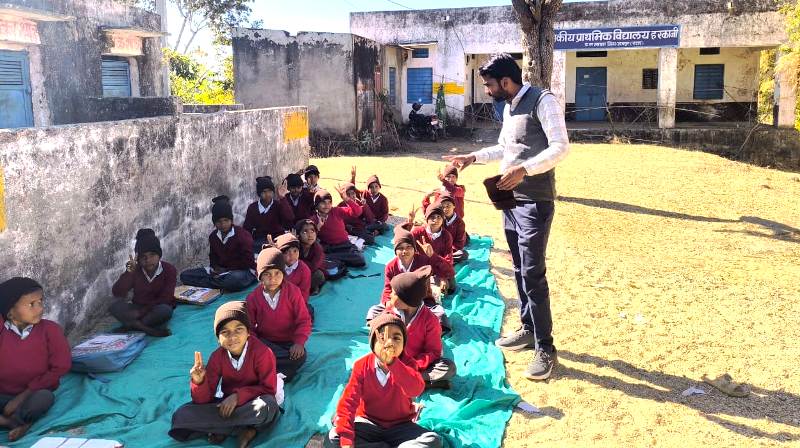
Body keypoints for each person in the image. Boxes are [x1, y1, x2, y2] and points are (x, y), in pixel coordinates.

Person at [443, 53, 570, 380]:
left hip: (534, 201)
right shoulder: (510, 106)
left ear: (505, 81)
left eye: (488, 85)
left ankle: (546, 347)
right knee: (518, 268)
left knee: (533, 273)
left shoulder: (544, 101)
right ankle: (528, 328)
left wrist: (525, 170)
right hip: (509, 199)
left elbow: (561, 147)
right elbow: (505, 149)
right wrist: (473, 157)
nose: (486, 91)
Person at [169, 301, 280, 447]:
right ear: (218, 338)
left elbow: (269, 389)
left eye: (238, 329)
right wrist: (199, 382)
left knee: (267, 407)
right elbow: (204, 400)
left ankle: (226, 429)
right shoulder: (217, 357)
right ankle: (241, 429)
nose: (232, 337)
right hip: (226, 407)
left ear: (248, 332)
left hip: (253, 402)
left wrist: (238, 396)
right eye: (225, 332)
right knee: (181, 415)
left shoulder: (263, 353)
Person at [325, 313, 442, 448]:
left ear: (404, 343)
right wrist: (346, 441)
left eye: (396, 338)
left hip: (401, 426)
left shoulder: (408, 363)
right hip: (368, 423)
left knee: (433, 440)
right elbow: (348, 403)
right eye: (382, 338)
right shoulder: (361, 366)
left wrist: (393, 363)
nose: (389, 343)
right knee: (334, 437)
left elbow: (415, 389)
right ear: (373, 342)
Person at [0, 278, 71, 442]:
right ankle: (10, 422)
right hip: (3, 394)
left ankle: (19, 419)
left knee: (45, 398)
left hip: (33, 394)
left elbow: (61, 367)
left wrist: (21, 398)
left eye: (40, 301)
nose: (39, 308)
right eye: (31, 304)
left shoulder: (50, 330)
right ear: (10, 311)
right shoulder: (2, 331)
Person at [381, 266, 456, 390]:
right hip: (393, 360)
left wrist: (414, 364)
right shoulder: (390, 313)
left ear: (407, 299)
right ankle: (419, 382)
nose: (390, 296)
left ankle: (405, 380)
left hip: (417, 364)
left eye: (394, 293)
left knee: (448, 368)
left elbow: (434, 352)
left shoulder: (430, 320)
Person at [367, 226, 453, 332]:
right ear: (395, 250)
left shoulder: (423, 261)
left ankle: (430, 332)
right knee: (373, 312)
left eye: (408, 247)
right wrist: (387, 302)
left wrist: (433, 256)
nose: (405, 251)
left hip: (421, 302)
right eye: (400, 248)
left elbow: (449, 271)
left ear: (414, 248)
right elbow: (388, 288)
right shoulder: (391, 266)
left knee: (440, 315)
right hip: (397, 303)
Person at [245, 247, 311, 382]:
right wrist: (256, 345)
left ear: (283, 273)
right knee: (249, 350)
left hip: (288, 344)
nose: (273, 279)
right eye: (267, 274)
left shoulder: (293, 292)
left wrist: (299, 342)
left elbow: (304, 320)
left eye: (277, 273)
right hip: (265, 342)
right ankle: (274, 372)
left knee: (300, 357)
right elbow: (249, 328)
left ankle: (265, 372)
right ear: (260, 276)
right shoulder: (253, 298)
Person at [180, 196, 257, 292]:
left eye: (226, 220)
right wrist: (215, 268)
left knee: (233, 280)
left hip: (242, 271)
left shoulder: (243, 235)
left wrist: (227, 270)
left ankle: (212, 283)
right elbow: (213, 256)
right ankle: (215, 283)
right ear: (214, 222)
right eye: (219, 222)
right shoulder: (213, 236)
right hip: (221, 273)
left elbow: (248, 262)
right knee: (185, 275)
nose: (223, 224)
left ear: (231, 220)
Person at [110, 228, 177, 337]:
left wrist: (140, 313)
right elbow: (117, 292)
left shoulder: (169, 270)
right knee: (114, 305)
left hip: (156, 308)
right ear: (138, 259)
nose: (148, 260)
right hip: (138, 307)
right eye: (143, 257)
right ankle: (145, 328)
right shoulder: (136, 270)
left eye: (152, 255)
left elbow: (166, 298)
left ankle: (132, 325)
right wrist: (129, 273)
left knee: (165, 310)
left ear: (159, 255)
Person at [408, 203, 456, 295]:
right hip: (419, 268)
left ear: (443, 219)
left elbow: (448, 260)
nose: (436, 220)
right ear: (427, 218)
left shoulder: (446, 236)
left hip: (437, 267)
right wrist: (410, 222)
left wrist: (443, 277)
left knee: (451, 286)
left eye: (439, 217)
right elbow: (404, 243)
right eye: (432, 217)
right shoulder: (417, 232)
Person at [311, 188, 366, 268]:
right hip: (329, 247)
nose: (327, 206)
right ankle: (338, 261)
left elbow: (357, 212)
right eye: (323, 203)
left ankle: (337, 261)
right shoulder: (313, 219)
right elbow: (310, 238)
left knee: (360, 259)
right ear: (316, 204)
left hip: (344, 245)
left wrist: (347, 199)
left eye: (329, 202)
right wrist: (318, 227)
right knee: (320, 258)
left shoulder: (336, 211)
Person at [242, 176, 294, 254]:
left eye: (269, 191)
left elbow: (290, 218)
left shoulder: (278, 205)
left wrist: (282, 198)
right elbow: (247, 229)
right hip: (260, 241)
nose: (267, 194)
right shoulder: (253, 208)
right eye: (264, 192)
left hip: (277, 240)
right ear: (259, 193)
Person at [273, 233, 313, 319]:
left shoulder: (304, 270)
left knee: (305, 313)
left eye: (295, 251)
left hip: (295, 302)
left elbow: (304, 293)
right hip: (276, 301)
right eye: (286, 252)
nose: (292, 255)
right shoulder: (275, 268)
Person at [349, 167, 389, 235]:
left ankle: (375, 231)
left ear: (379, 187)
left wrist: (379, 222)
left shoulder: (383, 199)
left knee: (384, 226)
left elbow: (385, 214)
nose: (374, 189)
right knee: (360, 224)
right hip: (365, 220)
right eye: (371, 187)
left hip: (376, 222)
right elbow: (353, 189)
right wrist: (353, 177)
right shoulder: (364, 193)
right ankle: (369, 230)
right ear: (368, 188)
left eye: (376, 186)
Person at [295, 219, 326, 295]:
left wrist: (299, 263)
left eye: (312, 231)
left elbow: (313, 267)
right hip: (294, 274)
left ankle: (311, 287)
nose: (310, 235)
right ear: (298, 235)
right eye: (305, 232)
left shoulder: (318, 248)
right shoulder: (295, 246)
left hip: (310, 274)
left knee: (319, 275)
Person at [438, 193, 468, 264]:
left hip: (452, 249)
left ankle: (442, 259)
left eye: (448, 206)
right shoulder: (439, 219)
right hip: (439, 247)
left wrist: (448, 251)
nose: (445, 209)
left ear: (454, 206)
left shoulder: (460, 223)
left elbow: (459, 243)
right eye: (443, 207)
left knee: (462, 254)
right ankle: (443, 259)